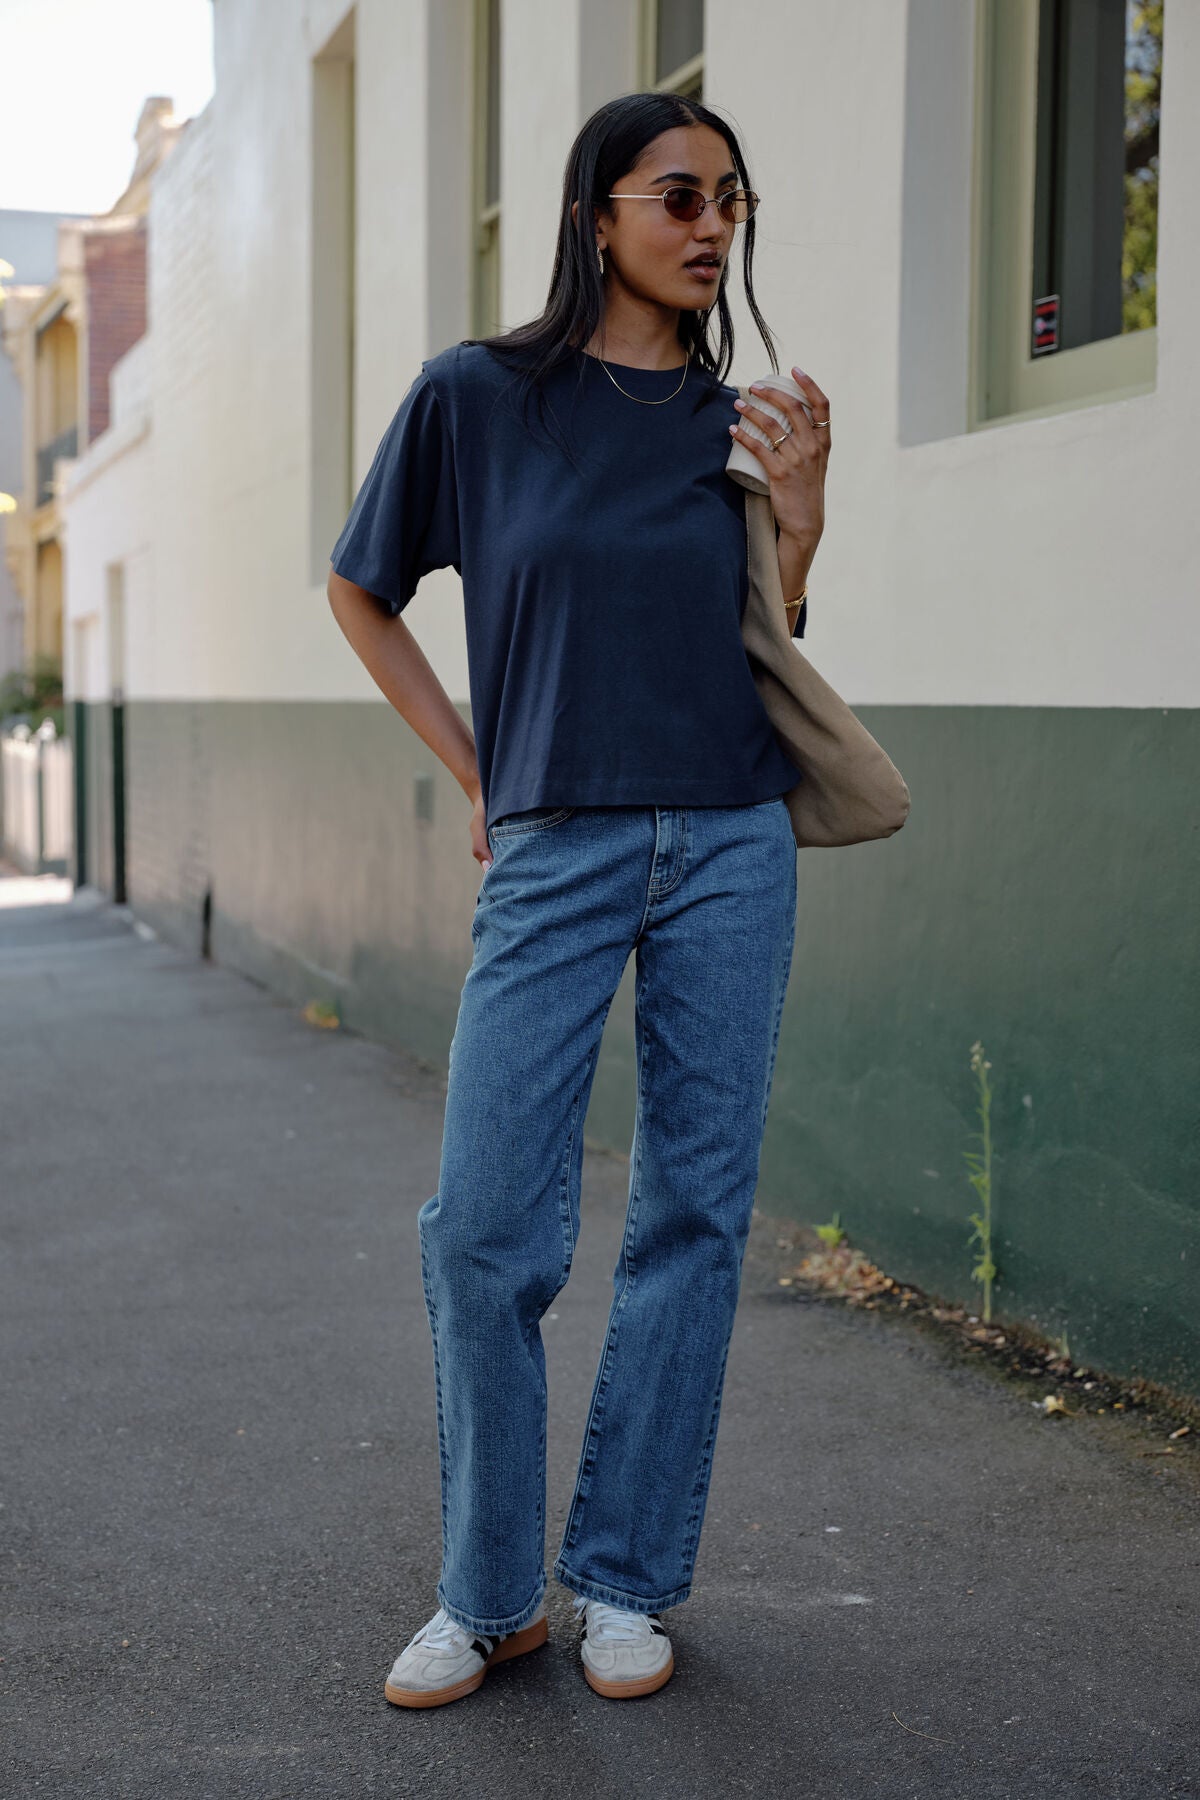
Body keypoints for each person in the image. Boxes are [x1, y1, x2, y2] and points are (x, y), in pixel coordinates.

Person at [326, 89, 831, 1708]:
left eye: (730, 203)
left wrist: (804, 513)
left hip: (734, 840)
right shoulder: (479, 399)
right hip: (554, 846)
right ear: (597, 212)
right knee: (483, 1229)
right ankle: (488, 1595)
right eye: (679, 195)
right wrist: (476, 762)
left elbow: (766, 634)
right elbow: (362, 586)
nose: (709, 226)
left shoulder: (730, 421)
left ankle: (623, 1576)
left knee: (691, 1215)